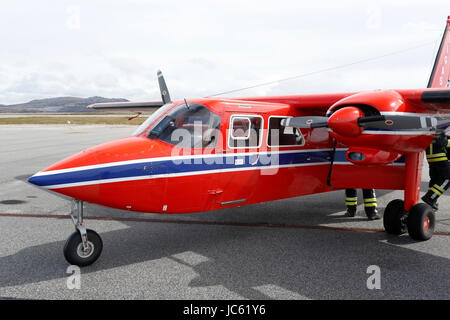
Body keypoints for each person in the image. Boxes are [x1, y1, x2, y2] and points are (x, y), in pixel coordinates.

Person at [421, 131, 450, 209]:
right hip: (440, 157)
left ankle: (432, 201)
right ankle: (430, 198)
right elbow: (443, 143)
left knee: (435, 180)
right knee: (447, 179)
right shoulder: (441, 131)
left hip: (431, 158)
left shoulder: (431, 130)